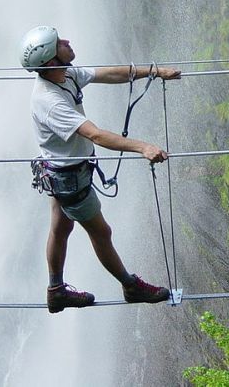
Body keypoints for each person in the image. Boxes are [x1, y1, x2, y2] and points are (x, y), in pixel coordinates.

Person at [20, 25, 181, 313]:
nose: (67, 41)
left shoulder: (64, 75)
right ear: (50, 61)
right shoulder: (50, 102)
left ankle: (56, 291)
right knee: (102, 232)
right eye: (59, 43)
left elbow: (107, 74)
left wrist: (154, 71)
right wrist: (142, 147)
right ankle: (130, 286)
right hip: (69, 178)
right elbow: (94, 134)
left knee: (60, 228)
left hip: (58, 171)